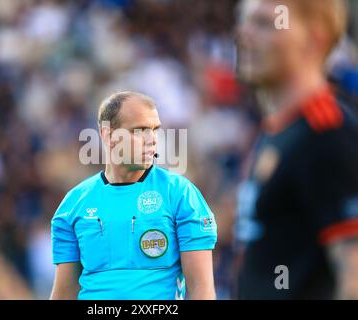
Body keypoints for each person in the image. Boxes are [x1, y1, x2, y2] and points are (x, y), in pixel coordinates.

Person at [235, 0, 358, 299]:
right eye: (244, 21)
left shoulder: (326, 133)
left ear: (313, 39)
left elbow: (353, 277)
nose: (243, 34)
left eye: (264, 24)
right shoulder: (278, 129)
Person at [49, 91, 217, 300]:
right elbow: (63, 294)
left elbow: (202, 291)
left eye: (155, 129)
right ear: (108, 135)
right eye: (140, 130)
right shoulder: (73, 205)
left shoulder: (181, 195)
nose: (152, 140)